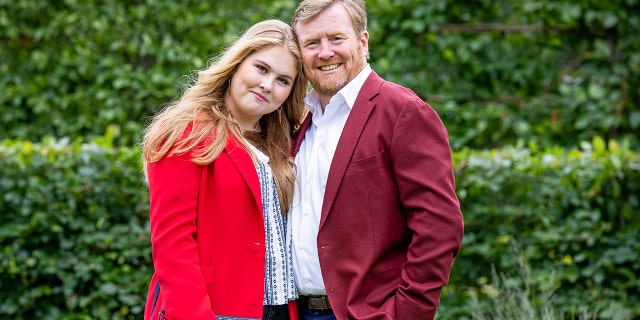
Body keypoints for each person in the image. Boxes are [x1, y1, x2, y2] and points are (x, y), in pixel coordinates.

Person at [289, 1, 464, 319]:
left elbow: (439, 227)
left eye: (336, 38)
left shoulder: (402, 111)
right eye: (312, 43)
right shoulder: (300, 119)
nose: (325, 52)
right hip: (295, 311)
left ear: (363, 41)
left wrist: (406, 314)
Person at [140, 19, 308, 320]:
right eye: (261, 68)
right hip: (213, 308)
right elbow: (172, 244)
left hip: (282, 310)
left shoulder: (285, 145)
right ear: (237, 64)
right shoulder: (186, 131)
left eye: (283, 80)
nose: (267, 85)